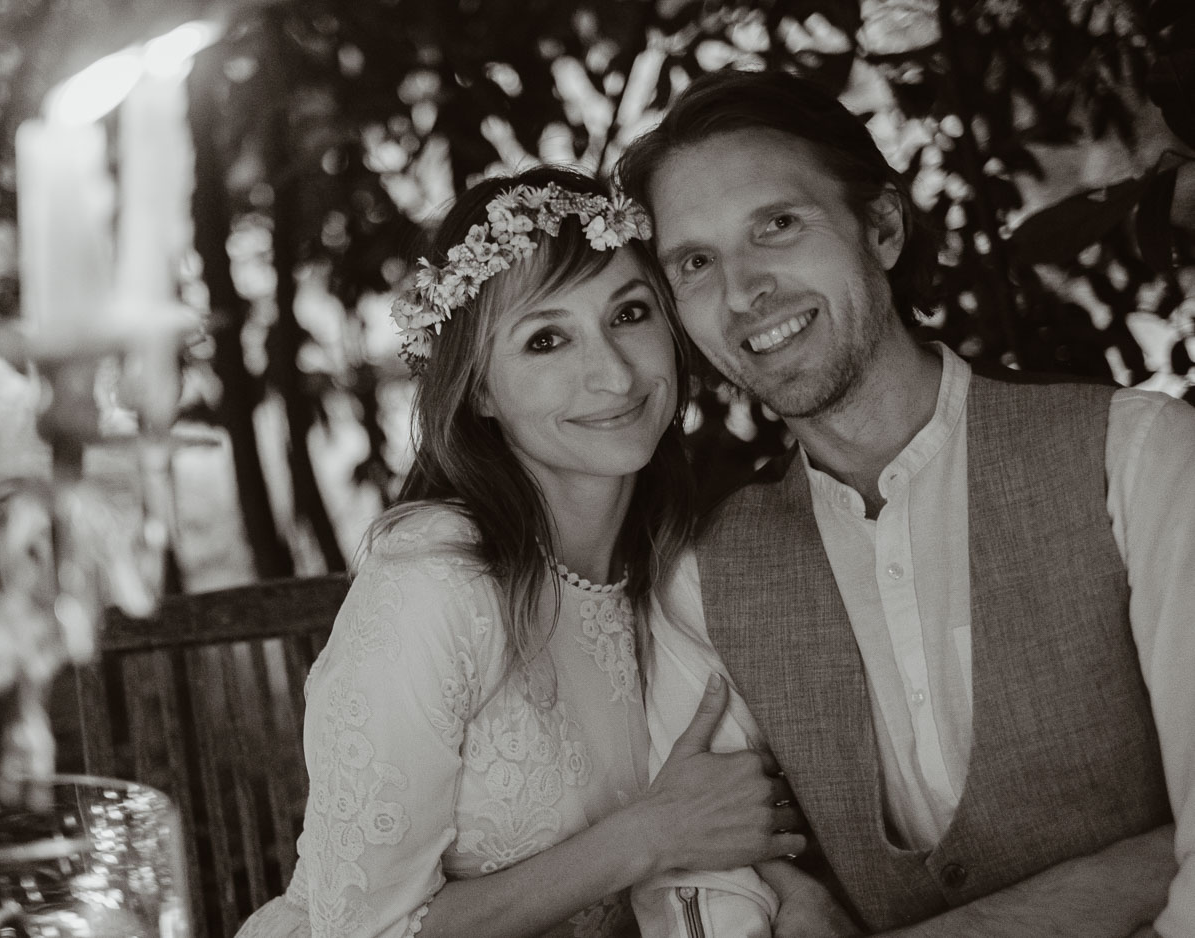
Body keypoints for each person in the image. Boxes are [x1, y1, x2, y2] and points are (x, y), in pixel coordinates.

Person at [616, 68, 1194, 936]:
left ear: (881, 227)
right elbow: (715, 898)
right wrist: (1139, 864)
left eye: (777, 224)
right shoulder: (705, 581)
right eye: (695, 263)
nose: (742, 291)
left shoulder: (1134, 457)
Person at [236, 165, 835, 938]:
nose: (614, 374)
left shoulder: (667, 560)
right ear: (481, 388)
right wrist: (645, 838)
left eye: (629, 313)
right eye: (546, 339)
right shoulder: (435, 586)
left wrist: (789, 887)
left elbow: (705, 799)